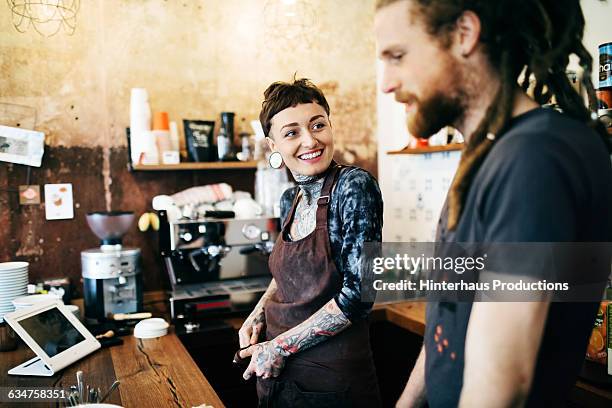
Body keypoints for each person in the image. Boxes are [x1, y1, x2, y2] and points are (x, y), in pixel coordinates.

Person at [374, 0, 612, 407]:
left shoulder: (535, 157)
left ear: (464, 34)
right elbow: (446, 324)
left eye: (398, 56)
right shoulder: (486, 156)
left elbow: (499, 386)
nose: (386, 83)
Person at [234, 78, 383, 407]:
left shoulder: (353, 187)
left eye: (318, 125)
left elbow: (359, 296)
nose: (310, 140)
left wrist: (279, 347)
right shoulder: (291, 199)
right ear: (273, 147)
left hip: (333, 383)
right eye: (291, 132)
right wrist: (256, 316)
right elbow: (286, 274)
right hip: (279, 375)